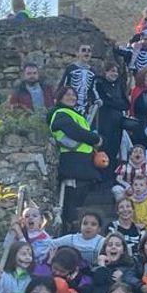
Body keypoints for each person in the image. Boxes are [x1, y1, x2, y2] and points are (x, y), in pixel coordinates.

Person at [49, 87, 102, 231]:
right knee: (72, 202)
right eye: (67, 94)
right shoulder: (61, 114)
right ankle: (71, 228)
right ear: (60, 97)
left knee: (78, 200)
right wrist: (94, 138)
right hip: (73, 163)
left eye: (74, 95)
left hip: (82, 163)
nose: (71, 97)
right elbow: (75, 131)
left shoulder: (74, 114)